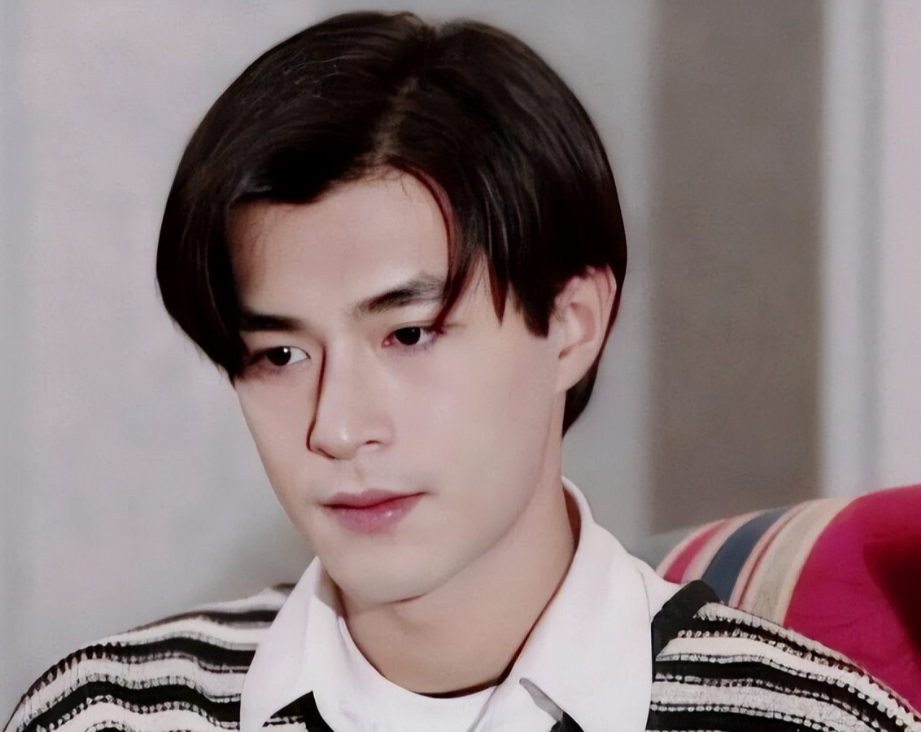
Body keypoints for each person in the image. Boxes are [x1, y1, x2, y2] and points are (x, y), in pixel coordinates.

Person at [5, 10, 919, 732]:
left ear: (571, 325)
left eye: (408, 335)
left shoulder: (807, 720)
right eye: (281, 355)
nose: (336, 427)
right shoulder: (112, 713)